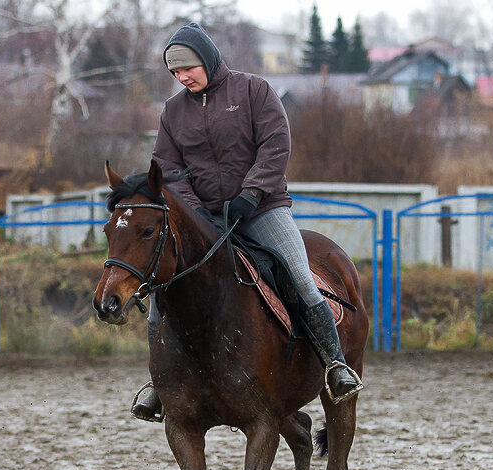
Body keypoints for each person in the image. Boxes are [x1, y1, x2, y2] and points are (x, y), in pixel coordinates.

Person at [130, 22, 363, 421]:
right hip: (203, 220)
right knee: (159, 293)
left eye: (188, 68)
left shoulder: (254, 91)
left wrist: (249, 195)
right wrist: (194, 211)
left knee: (300, 278)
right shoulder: (173, 112)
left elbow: (276, 146)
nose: (183, 78)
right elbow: (167, 168)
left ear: (207, 59)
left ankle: (335, 365)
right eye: (175, 73)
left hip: (262, 209)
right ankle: (158, 385)